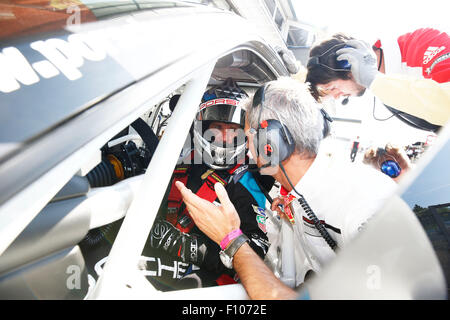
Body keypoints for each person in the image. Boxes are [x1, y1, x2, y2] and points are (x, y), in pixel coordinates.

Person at [175, 78, 397, 299]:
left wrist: (231, 239)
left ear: (269, 142)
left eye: (247, 135)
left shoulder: (364, 198)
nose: (248, 152)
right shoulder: (298, 197)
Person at [141, 78, 272, 291]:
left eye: (232, 129)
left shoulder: (247, 180)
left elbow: (257, 252)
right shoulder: (181, 163)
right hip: (155, 258)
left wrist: (188, 247)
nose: (224, 136)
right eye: (217, 127)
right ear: (202, 128)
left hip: (206, 278)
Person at [306, 29, 450, 132]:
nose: (336, 96)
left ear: (347, 62)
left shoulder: (424, 43)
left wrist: (375, 80)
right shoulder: (384, 87)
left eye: (331, 88)